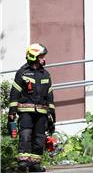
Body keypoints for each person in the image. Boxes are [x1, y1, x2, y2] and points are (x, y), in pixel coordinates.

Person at [8, 43, 56, 172]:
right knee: (25, 135)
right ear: (33, 57)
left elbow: (50, 95)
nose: (43, 59)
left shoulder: (45, 74)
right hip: (26, 111)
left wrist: (52, 114)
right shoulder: (22, 73)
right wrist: (12, 111)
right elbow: (14, 92)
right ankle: (23, 163)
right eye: (41, 56)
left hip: (41, 112)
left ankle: (35, 164)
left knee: (39, 137)